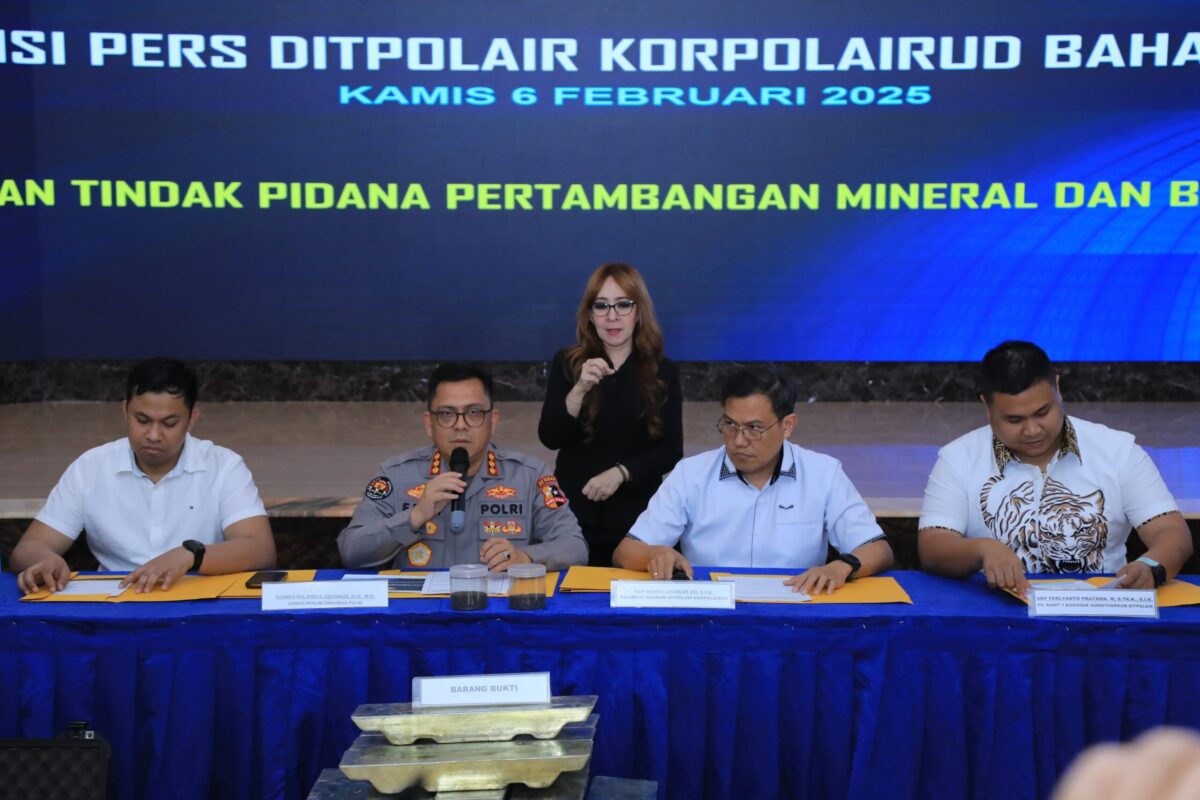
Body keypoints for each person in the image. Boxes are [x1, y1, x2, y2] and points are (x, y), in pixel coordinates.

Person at [918, 340, 1193, 595]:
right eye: (1014, 420)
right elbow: (933, 545)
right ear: (986, 406)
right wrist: (982, 549)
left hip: (1104, 608)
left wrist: (1150, 565)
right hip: (999, 613)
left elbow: (1171, 532)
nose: (1032, 430)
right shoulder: (958, 458)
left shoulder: (1117, 451)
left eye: (1043, 413)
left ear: (1057, 388)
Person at [612, 368, 894, 594]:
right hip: (711, 617)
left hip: (794, 617)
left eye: (753, 428)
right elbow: (625, 552)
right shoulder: (691, 475)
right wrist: (656, 552)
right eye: (730, 425)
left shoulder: (823, 474)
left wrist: (842, 566)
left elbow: (878, 549)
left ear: (787, 425)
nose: (738, 440)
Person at [11, 358, 276, 594]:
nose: (153, 435)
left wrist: (190, 556)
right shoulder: (90, 468)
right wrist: (44, 559)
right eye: (142, 420)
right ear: (125, 410)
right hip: (114, 604)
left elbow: (260, 549)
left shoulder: (224, 466)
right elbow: (29, 547)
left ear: (192, 418)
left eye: (169, 423)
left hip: (197, 604)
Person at [338, 363, 589, 571]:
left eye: (474, 412)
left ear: (493, 420)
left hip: (498, 611)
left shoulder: (529, 476)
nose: (460, 425)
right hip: (418, 613)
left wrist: (525, 557)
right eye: (447, 414)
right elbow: (351, 551)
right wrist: (414, 517)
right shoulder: (396, 475)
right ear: (429, 423)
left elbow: (575, 546)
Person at [538, 263, 683, 566]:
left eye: (623, 304)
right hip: (574, 519)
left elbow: (670, 450)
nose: (612, 316)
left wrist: (621, 473)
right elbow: (550, 437)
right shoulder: (568, 363)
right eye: (601, 305)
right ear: (590, 315)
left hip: (638, 521)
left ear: (639, 312)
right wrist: (579, 389)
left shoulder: (662, 371)